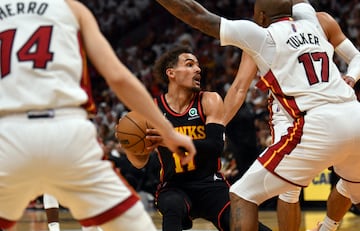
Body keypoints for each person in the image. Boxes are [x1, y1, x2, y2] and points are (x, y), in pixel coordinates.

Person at [154, 0, 360, 231]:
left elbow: (198, 15)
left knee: (242, 194)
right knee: (353, 187)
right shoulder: (312, 20)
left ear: (260, 16)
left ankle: (328, 226)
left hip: (315, 121)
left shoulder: (262, 36)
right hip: (354, 112)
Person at [0, 0, 196, 230]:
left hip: (7, 133)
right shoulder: (73, 8)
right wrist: (168, 132)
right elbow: (118, 78)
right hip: (67, 132)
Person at [123, 45, 271, 231]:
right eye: (190, 64)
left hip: (211, 185)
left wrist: (170, 138)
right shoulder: (153, 109)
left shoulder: (209, 100)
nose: (198, 69)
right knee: (173, 207)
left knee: (246, 227)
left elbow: (215, 146)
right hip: (175, 186)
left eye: (198, 65)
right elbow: (138, 163)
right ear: (171, 73)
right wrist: (132, 146)